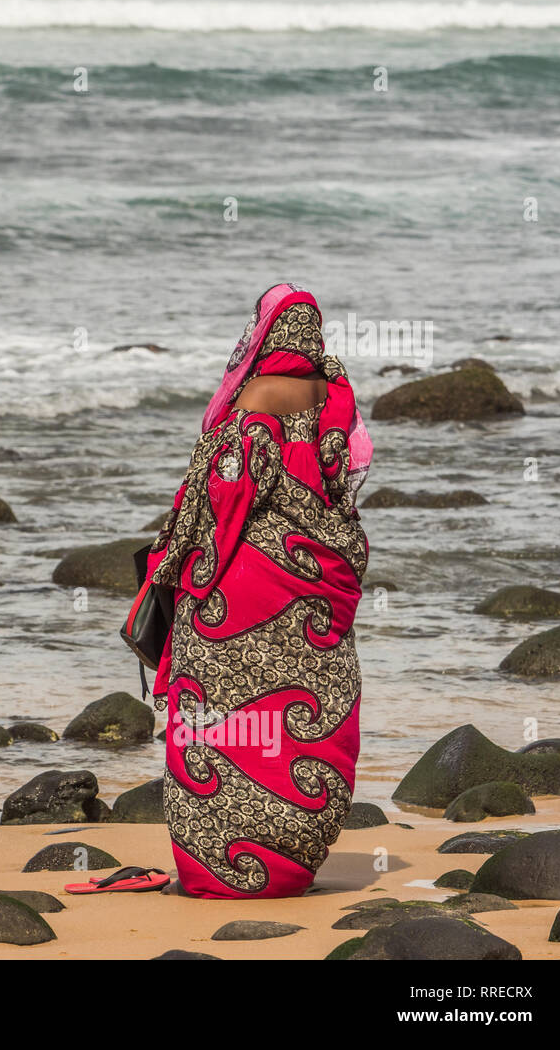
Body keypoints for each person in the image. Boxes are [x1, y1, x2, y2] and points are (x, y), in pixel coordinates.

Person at [140, 283, 372, 898]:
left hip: (245, 582)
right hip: (313, 586)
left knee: (215, 719)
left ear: (262, 332)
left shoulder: (257, 393)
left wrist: (173, 562)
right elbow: (341, 482)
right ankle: (287, 862)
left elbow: (222, 491)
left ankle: (219, 870)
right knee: (302, 721)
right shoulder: (333, 391)